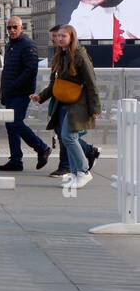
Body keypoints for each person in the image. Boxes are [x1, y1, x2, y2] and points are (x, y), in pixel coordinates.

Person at [31, 25, 101, 192]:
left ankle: (83, 171)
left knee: (68, 137)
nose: (59, 39)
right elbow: (54, 84)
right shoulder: (59, 56)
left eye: (63, 36)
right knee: (66, 138)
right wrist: (40, 96)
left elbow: (91, 82)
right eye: (58, 36)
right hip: (62, 102)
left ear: (72, 37)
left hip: (78, 103)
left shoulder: (80, 55)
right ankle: (76, 173)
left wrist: (95, 108)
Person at [0, 17, 51, 173]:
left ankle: (42, 148)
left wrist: (14, 86)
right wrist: (5, 91)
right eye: (9, 28)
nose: (12, 30)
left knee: (15, 123)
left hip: (21, 92)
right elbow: (7, 70)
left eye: (15, 27)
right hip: (11, 92)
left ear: (21, 28)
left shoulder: (27, 44)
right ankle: (15, 160)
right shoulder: (10, 45)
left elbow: (31, 70)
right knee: (10, 124)